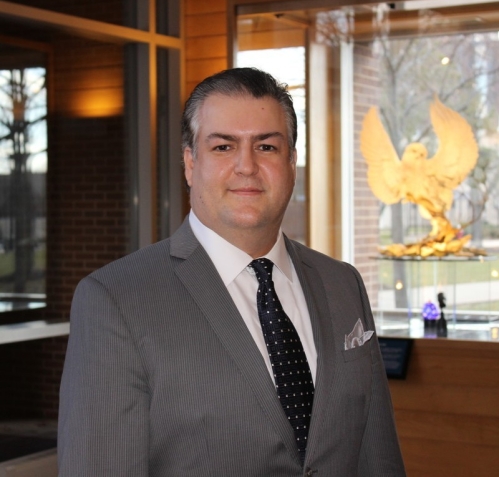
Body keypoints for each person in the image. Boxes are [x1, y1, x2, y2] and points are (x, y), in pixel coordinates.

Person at [58, 67, 406, 476]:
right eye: (223, 147)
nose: (246, 166)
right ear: (190, 163)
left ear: (292, 162)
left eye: (267, 147)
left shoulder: (342, 284)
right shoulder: (115, 300)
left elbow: (377, 457)